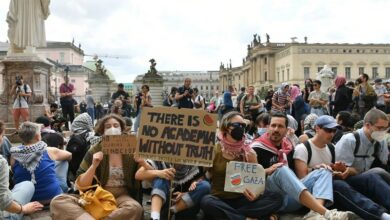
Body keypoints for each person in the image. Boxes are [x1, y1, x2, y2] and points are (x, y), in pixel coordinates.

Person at [250, 112, 353, 219]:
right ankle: (326, 213)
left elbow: (294, 177)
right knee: (282, 169)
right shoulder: (255, 148)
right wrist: (268, 170)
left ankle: (315, 213)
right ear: (268, 127)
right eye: (273, 125)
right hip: (270, 198)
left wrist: (313, 169)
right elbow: (250, 180)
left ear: (286, 130)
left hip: (290, 198)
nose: (276, 129)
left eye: (280, 126)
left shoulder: (289, 146)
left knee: (325, 170)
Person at [51, 114, 144, 220]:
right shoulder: (95, 150)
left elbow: (144, 175)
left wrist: (143, 162)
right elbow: (81, 184)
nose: (112, 129)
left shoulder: (131, 150)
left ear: (122, 129)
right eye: (108, 126)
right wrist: (94, 166)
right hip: (97, 195)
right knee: (58, 201)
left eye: (116, 125)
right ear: (102, 131)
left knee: (135, 208)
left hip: (122, 196)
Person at [200, 111, 283, 220]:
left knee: (276, 198)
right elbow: (202, 175)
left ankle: (231, 216)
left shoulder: (249, 151)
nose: (241, 128)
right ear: (226, 127)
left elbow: (256, 183)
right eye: (237, 125)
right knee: (206, 201)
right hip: (220, 199)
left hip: (243, 200)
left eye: (244, 125)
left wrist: (255, 193)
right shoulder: (214, 150)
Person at [334, 109, 390, 219]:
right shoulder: (350, 140)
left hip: (367, 179)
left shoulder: (380, 141)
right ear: (367, 125)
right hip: (348, 180)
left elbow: (384, 162)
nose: (383, 132)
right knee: (374, 175)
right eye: (380, 128)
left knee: (379, 174)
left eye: (385, 129)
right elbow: (341, 171)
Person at [10, 122, 71, 205]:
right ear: (38, 137)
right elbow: (69, 155)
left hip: (27, 200)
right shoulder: (49, 150)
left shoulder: (14, 154)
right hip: (52, 198)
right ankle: (66, 186)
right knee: (63, 162)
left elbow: (13, 170)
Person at [0, 121, 44, 220]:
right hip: (4, 214)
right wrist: (23, 209)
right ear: (37, 137)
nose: (3, 139)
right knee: (27, 185)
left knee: (25, 184)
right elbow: (3, 201)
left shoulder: (14, 154)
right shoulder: (1, 162)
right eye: (2, 136)